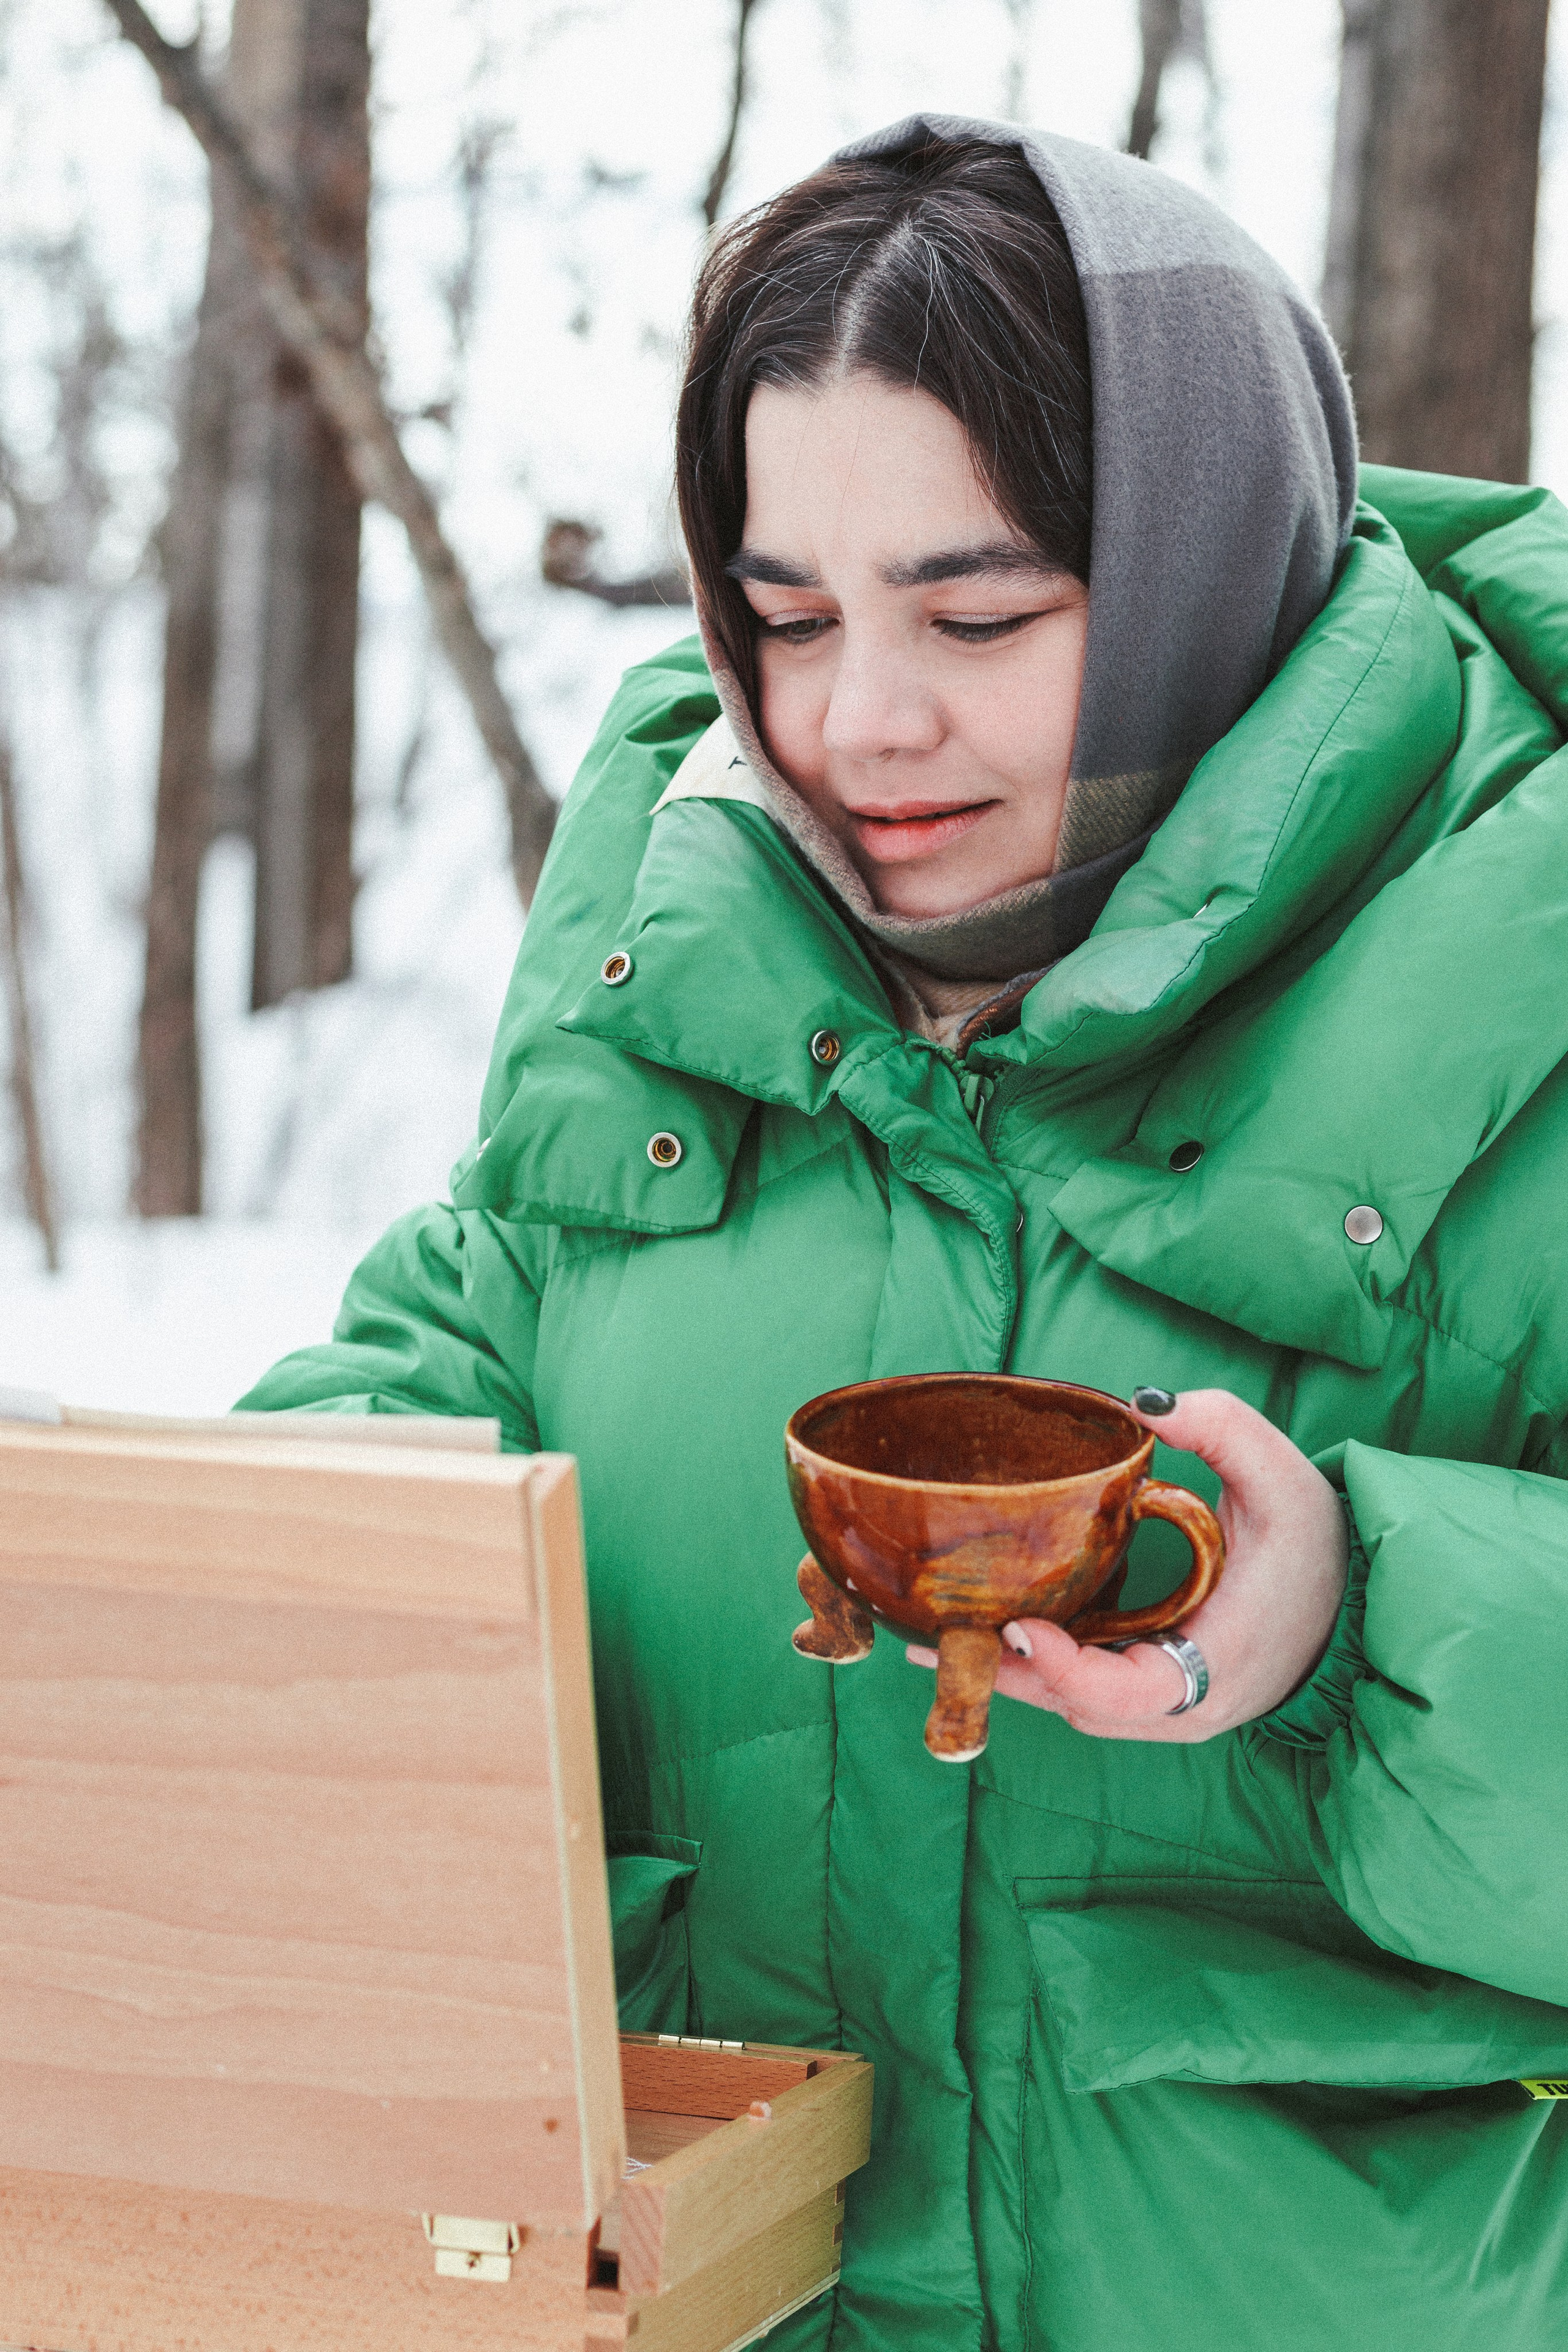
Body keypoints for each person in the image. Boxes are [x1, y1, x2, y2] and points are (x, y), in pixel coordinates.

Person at [239, 115, 1568, 2352]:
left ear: (1200, 569)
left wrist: (1367, 1622)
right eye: (786, 615)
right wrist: (267, 1570)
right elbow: (466, 1351)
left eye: (979, 613)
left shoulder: (1522, 981)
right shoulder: (679, 951)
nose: (861, 721)